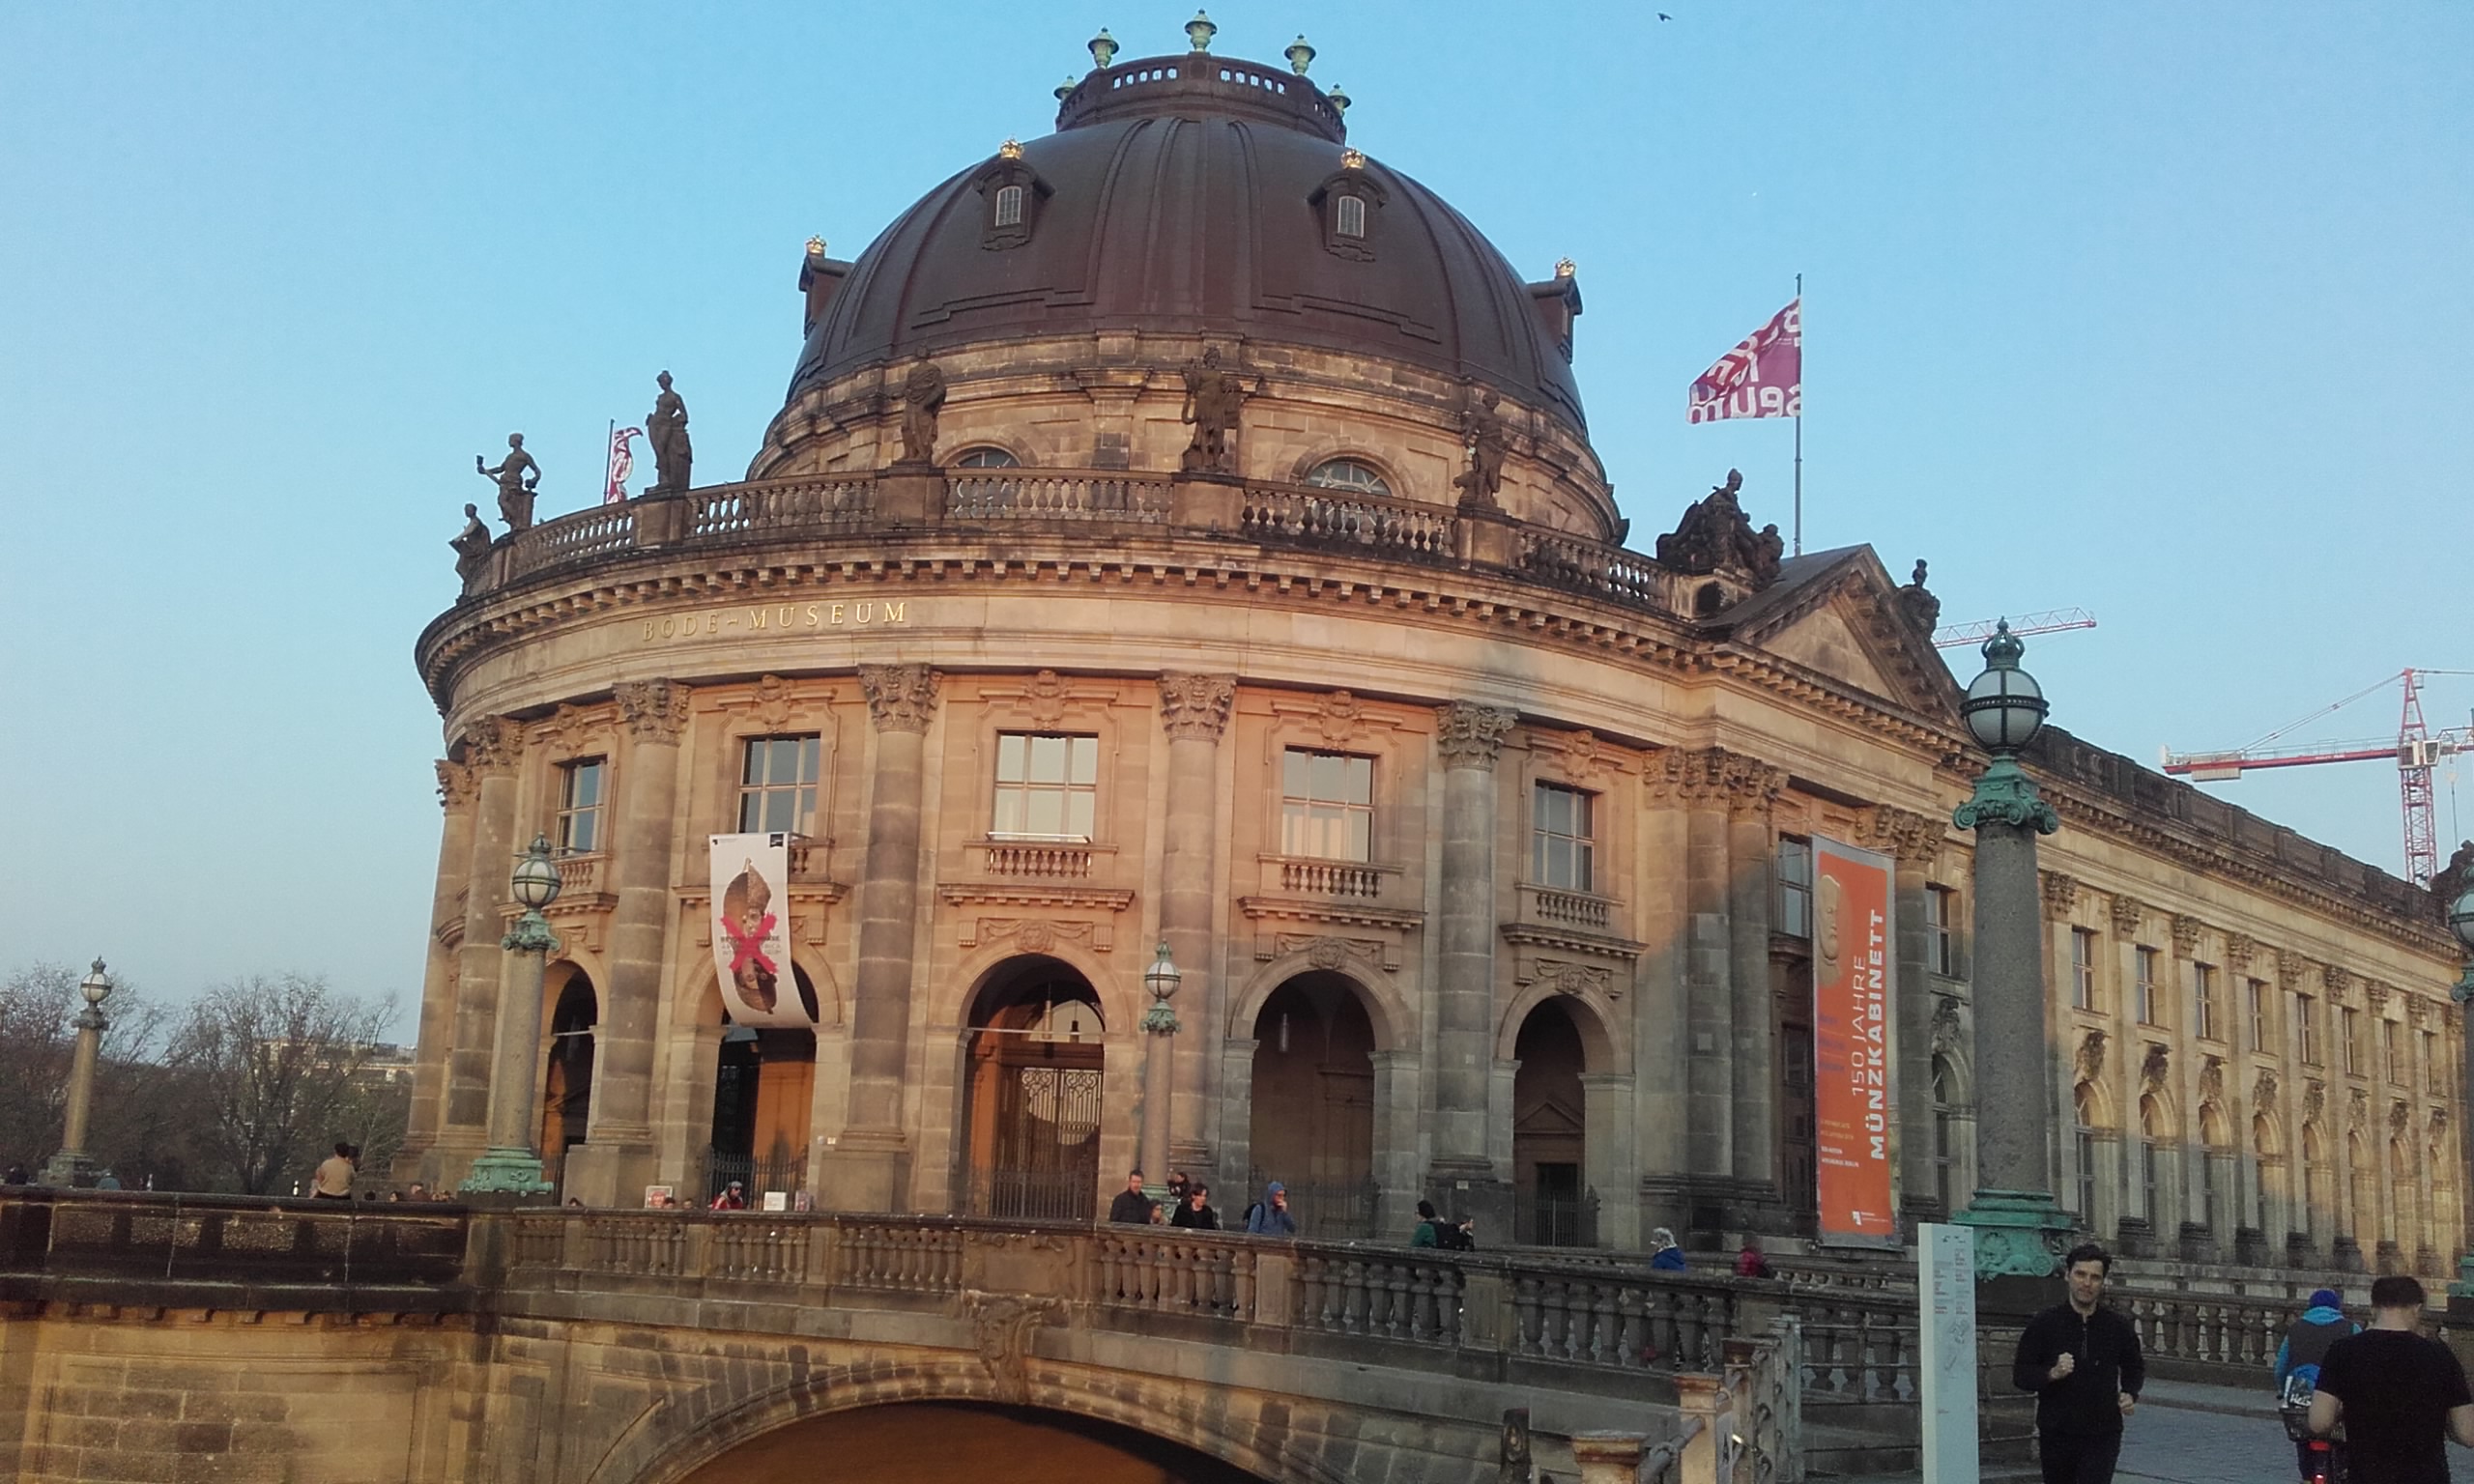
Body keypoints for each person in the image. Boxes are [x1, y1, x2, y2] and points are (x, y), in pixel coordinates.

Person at [2309, 1273, 2474, 1484]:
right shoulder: (2440, 1356)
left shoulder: (2343, 1351)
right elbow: (2468, 1434)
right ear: (2417, 1309)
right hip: (2427, 1477)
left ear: (2373, 1309)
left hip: (2367, 1476)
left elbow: (2319, 1422)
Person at [2012, 1242, 2144, 1484]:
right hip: (2057, 1432)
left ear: (2103, 1282)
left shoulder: (2117, 1326)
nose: (2087, 1283)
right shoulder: (2045, 1323)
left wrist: (2130, 1393)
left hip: (2103, 1432)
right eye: (2080, 1274)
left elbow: (2134, 1366)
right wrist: (2051, 1373)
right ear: (2068, 1275)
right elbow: (2021, 1375)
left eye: (2095, 1277)